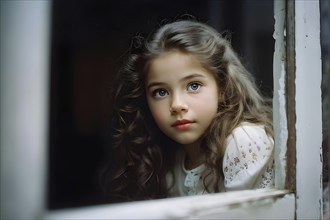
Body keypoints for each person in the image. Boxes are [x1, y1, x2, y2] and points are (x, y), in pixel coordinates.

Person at [101, 19, 274, 202]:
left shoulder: (244, 142)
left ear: (222, 88)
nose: (176, 105)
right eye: (160, 92)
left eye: (193, 86)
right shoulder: (172, 163)